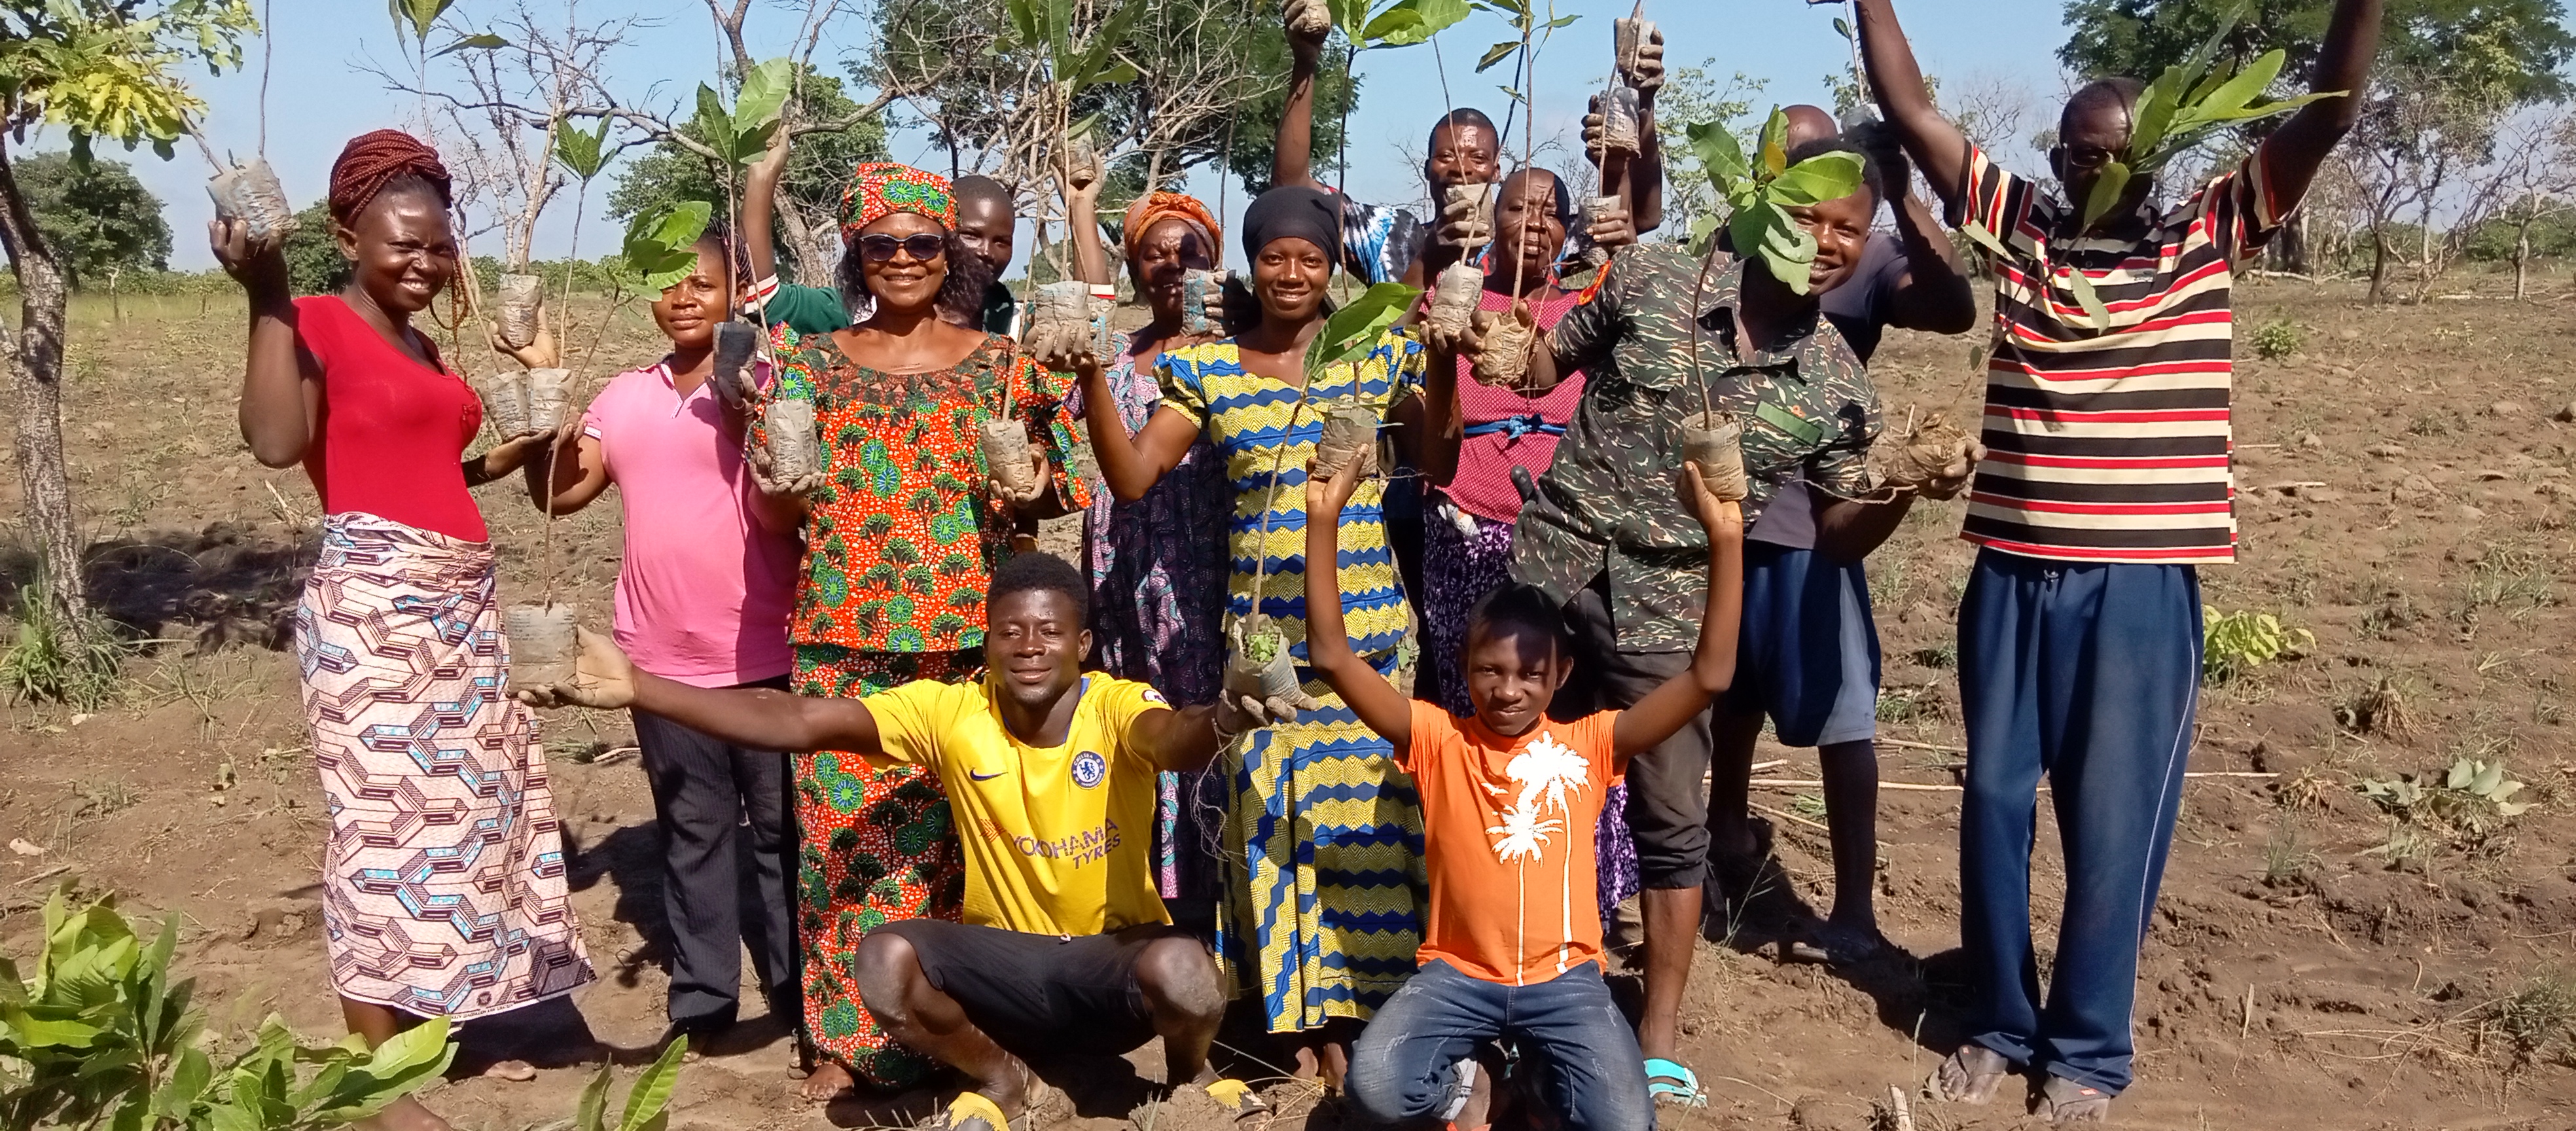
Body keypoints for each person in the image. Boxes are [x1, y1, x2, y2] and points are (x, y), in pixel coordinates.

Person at [1847, 0, 2382, 1119]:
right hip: (2011, 574)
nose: (2091, 169)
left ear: (2155, 159)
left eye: (2114, 154)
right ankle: (1999, 1019)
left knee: (2113, 817)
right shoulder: (2018, 228)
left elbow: (2328, 114)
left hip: (2139, 582)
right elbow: (1909, 106)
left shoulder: (2207, 233)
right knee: (1992, 800)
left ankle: (2085, 1049)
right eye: (2076, 152)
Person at [1463, 135, 1960, 1109]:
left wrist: (1905, 485)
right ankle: (1497, 1000)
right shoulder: (1654, 278)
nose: (1825, 241)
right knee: (1511, 796)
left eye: (1849, 230)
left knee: (1672, 827)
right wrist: (1496, 337)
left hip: (1672, 615)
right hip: (1553, 580)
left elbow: (1842, 535)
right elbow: (1539, 367)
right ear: (1767, 206)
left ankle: (1656, 1033)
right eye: (1811, 216)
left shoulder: (1834, 383)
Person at [522, 553, 1251, 1131]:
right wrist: (642, 688)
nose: (1031, 647)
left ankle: (1189, 1073)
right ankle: (1004, 1082)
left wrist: (1223, 715)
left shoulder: (1119, 705)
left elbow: (1175, 738)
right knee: (882, 960)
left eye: (1051, 631)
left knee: (1187, 971)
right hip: (1006, 977)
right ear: (987, 639)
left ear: (1083, 643)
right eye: (1011, 631)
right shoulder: (950, 711)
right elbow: (799, 721)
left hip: (1109, 969)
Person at [213, 129, 594, 1131]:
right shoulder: (317, 322)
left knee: (465, 820)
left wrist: (507, 456)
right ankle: (372, 1079)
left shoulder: (422, 345)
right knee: (381, 834)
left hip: (461, 603)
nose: (425, 263)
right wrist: (264, 293)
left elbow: (422, 463)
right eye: (402, 244)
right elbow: (279, 442)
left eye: (438, 245)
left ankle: (441, 1026)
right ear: (346, 234)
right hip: (378, 610)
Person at [749, 160, 1091, 1101]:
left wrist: (1031, 490)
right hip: (843, 638)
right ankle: (846, 1039)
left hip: (965, 648)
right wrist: (782, 488)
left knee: (962, 846)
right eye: (881, 244)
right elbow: (778, 513)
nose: (902, 259)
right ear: (857, 256)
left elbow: (1058, 489)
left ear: (951, 255)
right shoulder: (805, 364)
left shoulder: (1005, 365)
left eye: (921, 244)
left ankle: (965, 1029)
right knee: (841, 842)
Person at [1079, 185, 1427, 1083]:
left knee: (1369, 834)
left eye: (1310, 257)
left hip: (1369, 642)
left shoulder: (1375, 355)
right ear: (1250, 264)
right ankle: (1301, 1028)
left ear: (1331, 268)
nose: (1292, 273)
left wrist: (1450, 363)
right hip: (1266, 660)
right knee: (1277, 840)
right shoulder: (1209, 370)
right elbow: (1130, 476)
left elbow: (1445, 457)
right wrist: (1086, 375)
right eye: (1274, 256)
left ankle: (1372, 1017)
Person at [1306, 451, 1743, 1131]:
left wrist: (1726, 540)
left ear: (1562, 674)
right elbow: (1332, 657)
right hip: (1457, 978)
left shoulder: (1593, 744)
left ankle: (1538, 1077)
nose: (1507, 689)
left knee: (1626, 1123)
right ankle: (1469, 1087)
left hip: (1566, 984)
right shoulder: (1436, 738)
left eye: (1529, 674)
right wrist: (1322, 519)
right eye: (1489, 670)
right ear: (1464, 667)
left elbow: (1710, 677)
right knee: (1376, 1090)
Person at [502, 223, 802, 1047]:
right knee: (694, 831)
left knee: (782, 834)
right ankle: (704, 999)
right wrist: (541, 399)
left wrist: (752, 406)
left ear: (737, 293)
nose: (683, 299)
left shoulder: (774, 383)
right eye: (669, 285)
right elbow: (562, 496)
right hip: (659, 664)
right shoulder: (623, 397)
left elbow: (801, 495)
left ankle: (801, 992)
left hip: (766, 655)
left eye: (701, 284)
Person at [1702, 104, 1978, 967]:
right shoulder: (1729, 247)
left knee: (1841, 712)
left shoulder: (1856, 260)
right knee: (1728, 696)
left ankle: (1855, 908)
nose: (1820, 230)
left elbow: (1952, 306)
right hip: (1710, 520)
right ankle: (1726, 836)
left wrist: (1900, 187)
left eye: (1842, 205)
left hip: (1813, 526)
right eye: (1796, 181)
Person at [1414, 167, 1641, 927]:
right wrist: (1444, 350)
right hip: (1468, 531)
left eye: (1551, 212)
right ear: (1494, 217)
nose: (1534, 224)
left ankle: (1582, 894)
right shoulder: (1451, 300)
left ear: (1571, 227)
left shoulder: (1588, 310)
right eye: (1519, 208)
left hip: (1569, 541)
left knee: (1570, 717)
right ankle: (1480, 889)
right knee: (1476, 711)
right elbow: (1430, 442)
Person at [1056, 179, 1234, 931]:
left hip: (1207, 565)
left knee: (1207, 719)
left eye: (1187, 250)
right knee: (1139, 715)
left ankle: (1218, 899)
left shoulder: (1236, 351)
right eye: (1152, 253)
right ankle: (1154, 897)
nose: (1170, 264)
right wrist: (1081, 207)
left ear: (1215, 261)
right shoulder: (1117, 357)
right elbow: (1089, 304)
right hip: (1125, 566)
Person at [740, 135, 1018, 337]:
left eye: (1002, 241)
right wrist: (762, 178)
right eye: (970, 235)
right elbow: (760, 298)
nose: (985, 251)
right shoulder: (860, 309)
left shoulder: (1016, 322)